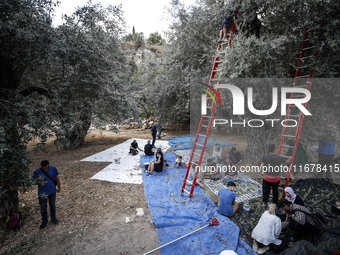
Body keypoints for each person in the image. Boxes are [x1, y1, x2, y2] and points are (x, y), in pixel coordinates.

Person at [261, 144, 291, 208]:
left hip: (267, 177)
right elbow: (287, 162)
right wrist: (290, 158)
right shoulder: (279, 157)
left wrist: (262, 172)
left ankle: (264, 203)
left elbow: (262, 165)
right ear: (275, 149)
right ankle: (275, 203)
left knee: (266, 190)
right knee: (275, 191)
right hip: (275, 179)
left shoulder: (265, 156)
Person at [32, 160, 61, 229]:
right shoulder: (37, 172)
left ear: (48, 165)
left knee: (52, 205)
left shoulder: (53, 168)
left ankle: (53, 218)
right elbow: (33, 181)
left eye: (45, 167)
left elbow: (57, 178)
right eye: (42, 167)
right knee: (43, 208)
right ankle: (44, 221)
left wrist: (59, 187)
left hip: (52, 191)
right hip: (42, 193)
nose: (44, 169)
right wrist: (39, 182)